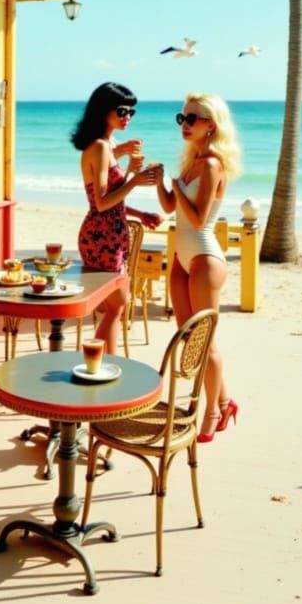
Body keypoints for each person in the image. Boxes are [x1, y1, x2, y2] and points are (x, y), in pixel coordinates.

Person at [154, 92, 243, 442]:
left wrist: (176, 187)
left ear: (211, 125)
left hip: (204, 259)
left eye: (192, 118)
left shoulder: (211, 165)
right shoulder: (191, 162)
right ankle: (225, 401)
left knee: (205, 343)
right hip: (181, 257)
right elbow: (169, 208)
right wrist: (161, 182)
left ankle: (213, 412)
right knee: (189, 338)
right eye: (182, 118)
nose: (185, 124)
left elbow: (199, 219)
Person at [72, 82, 162, 352]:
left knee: (117, 306)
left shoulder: (107, 145)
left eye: (132, 112)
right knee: (117, 306)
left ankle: (102, 362)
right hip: (103, 237)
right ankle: (102, 362)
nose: (128, 117)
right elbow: (101, 203)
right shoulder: (100, 147)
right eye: (122, 111)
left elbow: (112, 200)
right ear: (103, 111)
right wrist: (134, 180)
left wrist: (140, 213)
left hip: (110, 232)